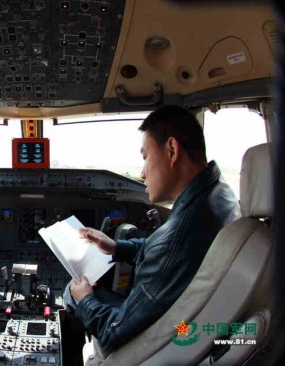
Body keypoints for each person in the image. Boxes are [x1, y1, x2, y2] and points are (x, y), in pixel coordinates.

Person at [64, 105, 241, 355]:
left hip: (153, 343)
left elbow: (113, 332)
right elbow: (162, 249)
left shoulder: (177, 239)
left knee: (71, 291)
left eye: (145, 157)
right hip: (184, 329)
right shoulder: (217, 196)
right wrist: (116, 247)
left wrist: (84, 298)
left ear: (171, 150)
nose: (142, 172)